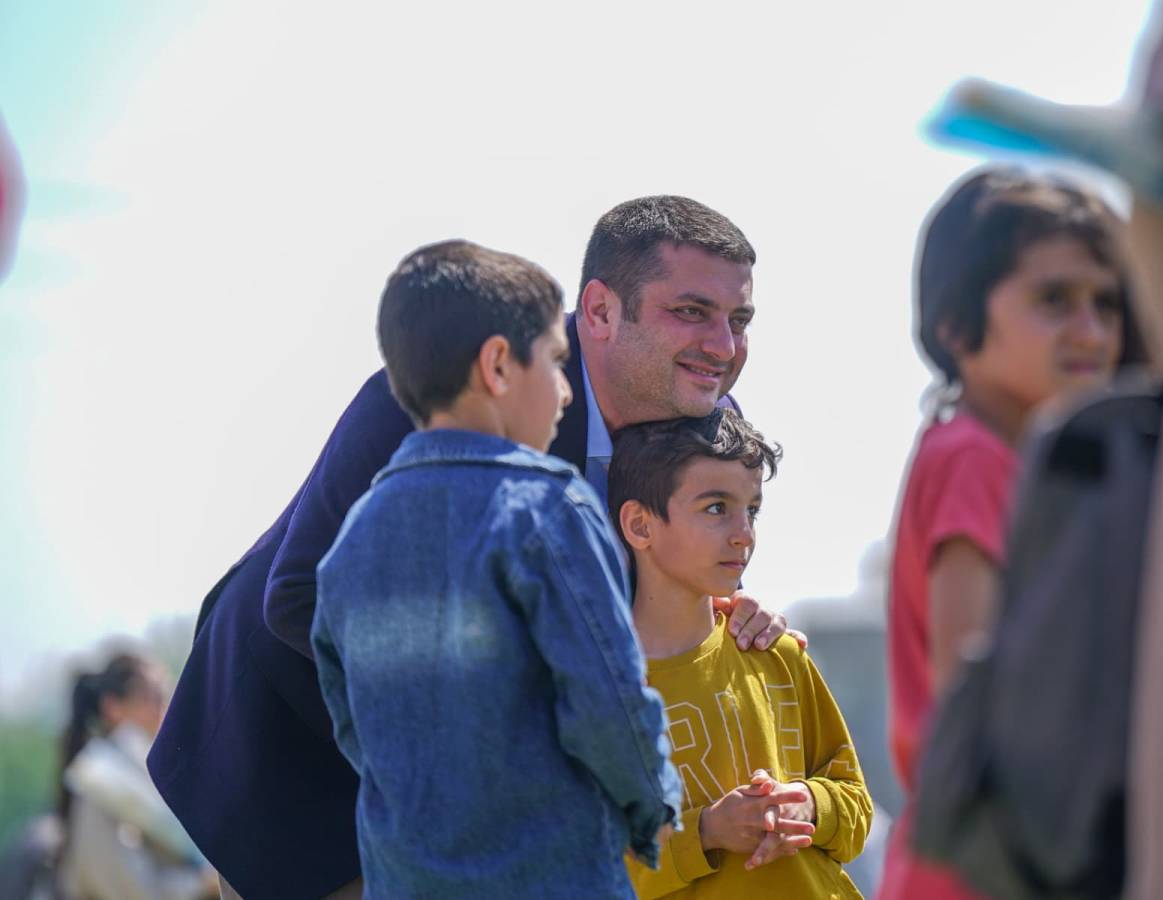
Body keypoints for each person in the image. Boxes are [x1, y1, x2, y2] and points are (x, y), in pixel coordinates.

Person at [149, 194, 795, 900]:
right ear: (601, 311)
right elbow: (300, 598)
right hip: (306, 775)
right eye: (692, 312)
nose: (723, 347)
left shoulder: (708, 420)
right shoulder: (447, 390)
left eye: (739, 321)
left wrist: (727, 613)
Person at [311, 239, 680, 897]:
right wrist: (652, 804)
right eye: (557, 362)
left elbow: (354, 720)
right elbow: (609, 701)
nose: (566, 392)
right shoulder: (549, 508)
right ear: (499, 366)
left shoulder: (355, 536)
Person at [877, 168, 1147, 899]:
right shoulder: (973, 457)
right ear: (956, 325)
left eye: (1105, 303)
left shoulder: (1014, 459)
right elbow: (978, 693)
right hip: (986, 868)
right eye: (1053, 299)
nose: (1090, 331)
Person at [612, 409, 871, 899]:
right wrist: (707, 831)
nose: (744, 534)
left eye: (752, 510)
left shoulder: (779, 654)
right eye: (716, 508)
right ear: (640, 525)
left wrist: (808, 805)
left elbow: (857, 809)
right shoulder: (597, 692)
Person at [55, 653, 218, 900]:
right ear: (113, 707)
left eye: (166, 696)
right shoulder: (97, 784)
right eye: (151, 697)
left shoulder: (158, 776)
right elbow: (130, 890)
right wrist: (203, 883)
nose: (163, 709)